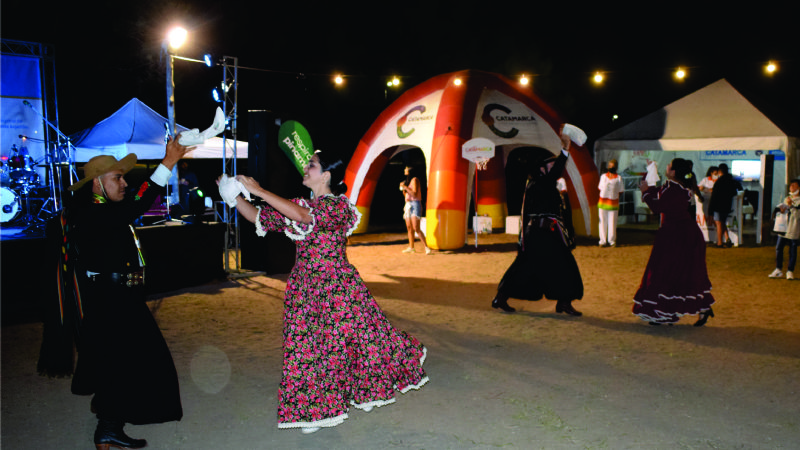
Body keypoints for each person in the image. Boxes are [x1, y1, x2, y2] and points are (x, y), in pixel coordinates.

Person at [223, 151, 428, 434]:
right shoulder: (299, 206)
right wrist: (232, 196)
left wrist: (259, 190)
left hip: (337, 289)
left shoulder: (337, 206)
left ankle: (364, 391)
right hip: (304, 290)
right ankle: (315, 409)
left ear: (327, 175)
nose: (305, 168)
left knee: (356, 343)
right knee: (307, 350)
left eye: (312, 165)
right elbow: (259, 217)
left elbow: (305, 217)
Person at [64, 136, 192, 449]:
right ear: (97, 183)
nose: (124, 183)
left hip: (118, 297)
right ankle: (108, 427)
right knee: (124, 361)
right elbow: (138, 204)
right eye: (117, 178)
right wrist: (167, 163)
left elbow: (134, 199)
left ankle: (106, 411)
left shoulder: (103, 209)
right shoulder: (92, 213)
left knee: (120, 359)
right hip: (112, 300)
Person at [490, 127, 584, 316]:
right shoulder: (539, 183)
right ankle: (501, 297)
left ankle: (563, 302)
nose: (555, 168)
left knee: (564, 265)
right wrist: (565, 150)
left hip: (550, 234)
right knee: (525, 268)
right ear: (542, 169)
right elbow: (554, 173)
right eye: (551, 165)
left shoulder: (547, 186)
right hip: (537, 235)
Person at [632, 158, 715, 326]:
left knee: (666, 273)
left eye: (669, 166)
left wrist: (646, 193)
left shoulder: (674, 189)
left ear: (674, 171)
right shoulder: (675, 187)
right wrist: (649, 177)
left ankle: (664, 312)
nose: (667, 167)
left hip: (678, 236)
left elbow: (657, 207)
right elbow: (658, 196)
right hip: (679, 235)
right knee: (681, 274)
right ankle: (694, 309)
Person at [768, 179, 800, 280]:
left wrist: (791, 206)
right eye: (791, 185)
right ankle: (778, 269)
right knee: (779, 248)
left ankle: (790, 271)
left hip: (793, 228)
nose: (792, 187)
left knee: (792, 250)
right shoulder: (787, 198)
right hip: (783, 229)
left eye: (794, 185)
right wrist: (781, 210)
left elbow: (797, 215)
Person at [399, 166, 432, 254]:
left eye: (406, 169)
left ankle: (426, 247)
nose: (404, 170)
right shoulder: (408, 181)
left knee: (416, 227)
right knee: (409, 227)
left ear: (410, 170)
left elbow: (414, 193)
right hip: (408, 204)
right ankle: (411, 247)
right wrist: (404, 191)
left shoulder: (414, 180)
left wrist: (405, 187)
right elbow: (408, 195)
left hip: (415, 204)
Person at [708, 163, 741, 247]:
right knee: (722, 222)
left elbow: (714, 196)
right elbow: (735, 192)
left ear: (719, 171)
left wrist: (710, 211)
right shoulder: (731, 181)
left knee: (718, 223)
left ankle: (720, 242)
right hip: (727, 205)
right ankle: (727, 238)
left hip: (718, 205)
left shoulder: (718, 182)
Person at [597, 159, 624, 247]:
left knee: (612, 222)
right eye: (609, 166)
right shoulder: (603, 177)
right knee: (602, 222)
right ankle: (602, 241)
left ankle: (612, 241)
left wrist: (614, 197)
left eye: (612, 166)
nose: (610, 168)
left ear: (616, 167)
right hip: (602, 202)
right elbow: (600, 188)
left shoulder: (619, 178)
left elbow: (621, 191)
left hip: (613, 203)